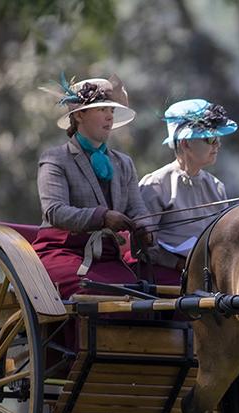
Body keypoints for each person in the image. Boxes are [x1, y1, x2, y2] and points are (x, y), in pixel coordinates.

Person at [32, 73, 153, 298]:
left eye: (112, 111)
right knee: (95, 298)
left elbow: (137, 209)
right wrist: (102, 217)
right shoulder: (55, 159)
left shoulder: (123, 162)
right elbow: (54, 211)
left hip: (108, 257)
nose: (109, 117)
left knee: (139, 299)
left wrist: (145, 228)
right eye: (102, 109)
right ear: (79, 115)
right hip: (62, 253)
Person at [129, 98, 238, 284]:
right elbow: (141, 248)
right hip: (167, 278)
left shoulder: (216, 186)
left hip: (208, 274)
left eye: (217, 138)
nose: (217, 145)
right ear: (186, 144)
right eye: (210, 139)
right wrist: (178, 263)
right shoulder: (155, 184)